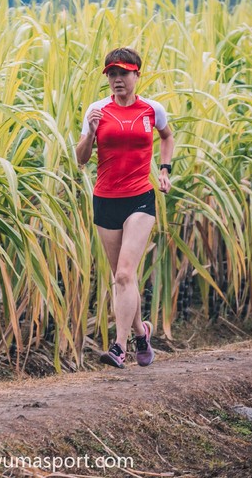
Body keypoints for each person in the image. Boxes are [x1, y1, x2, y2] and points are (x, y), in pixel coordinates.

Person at [75, 47, 174, 368]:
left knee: (124, 272)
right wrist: (90, 132)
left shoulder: (152, 109)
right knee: (122, 280)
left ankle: (119, 347)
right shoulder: (97, 110)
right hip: (105, 199)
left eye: (123, 73)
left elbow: (167, 137)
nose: (117, 79)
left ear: (136, 75)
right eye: (112, 74)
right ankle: (142, 333)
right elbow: (81, 159)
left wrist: (164, 169)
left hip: (140, 198)